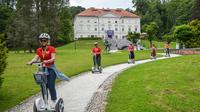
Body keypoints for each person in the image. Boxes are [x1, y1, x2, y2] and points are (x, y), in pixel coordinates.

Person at [27, 33, 69, 106]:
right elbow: (36, 58)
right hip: (42, 69)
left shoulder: (51, 48)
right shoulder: (39, 50)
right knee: (43, 85)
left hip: (51, 69)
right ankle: (45, 102)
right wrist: (31, 61)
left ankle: (54, 100)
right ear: (40, 41)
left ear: (47, 41)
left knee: (50, 85)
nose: (43, 41)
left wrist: (47, 61)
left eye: (45, 40)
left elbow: (53, 58)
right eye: (42, 40)